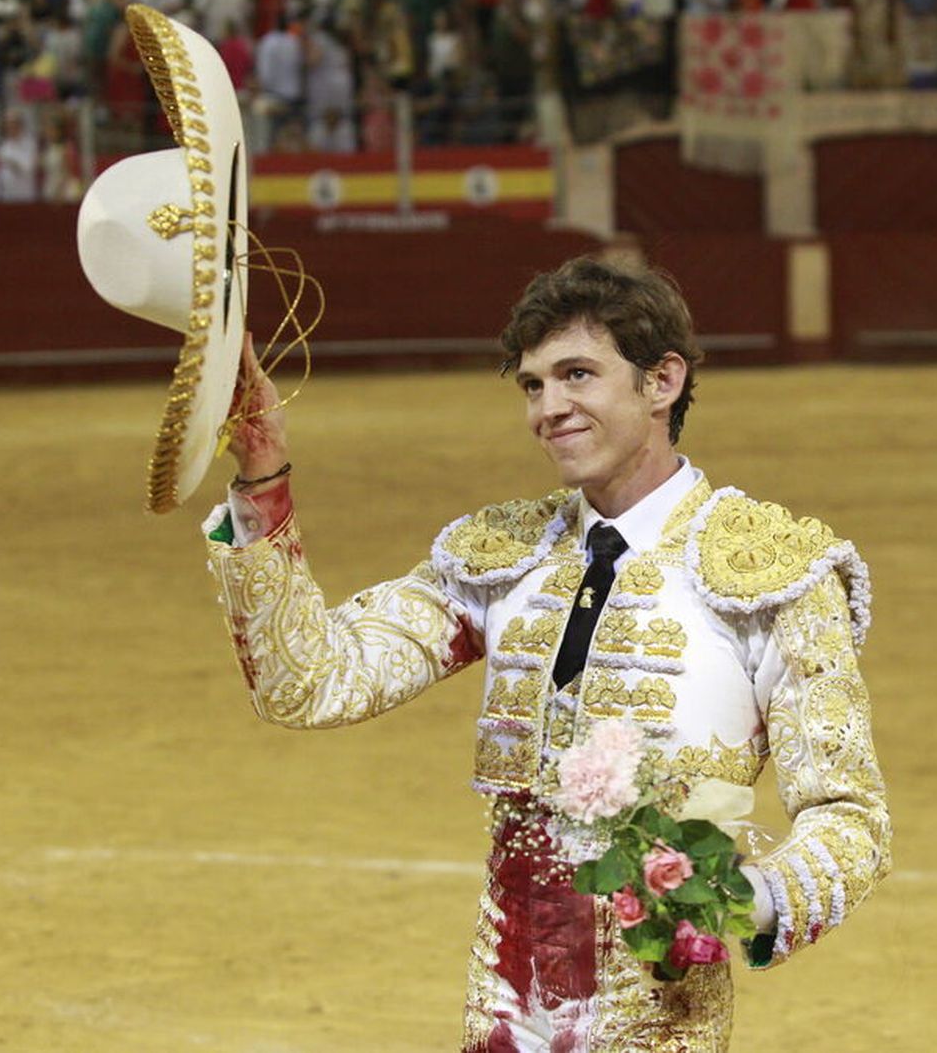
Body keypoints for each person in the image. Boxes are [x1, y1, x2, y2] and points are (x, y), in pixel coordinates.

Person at [203, 256, 891, 1050]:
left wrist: (748, 896)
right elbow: (311, 684)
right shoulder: (502, 557)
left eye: (577, 376)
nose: (549, 408)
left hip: (660, 1023)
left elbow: (850, 817)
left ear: (662, 381)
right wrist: (263, 478)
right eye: (533, 385)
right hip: (501, 1012)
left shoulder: (771, 574)